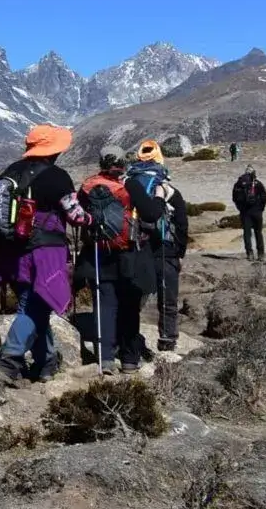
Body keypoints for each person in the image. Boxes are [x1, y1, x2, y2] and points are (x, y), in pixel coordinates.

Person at [0, 125, 92, 386]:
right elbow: (75, 215)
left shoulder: (11, 171)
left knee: (36, 305)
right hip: (45, 251)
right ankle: (9, 360)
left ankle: (46, 363)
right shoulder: (57, 177)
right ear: (54, 150)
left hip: (12, 251)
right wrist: (93, 218)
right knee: (34, 307)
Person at [76, 153, 166, 375]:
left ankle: (105, 358)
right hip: (128, 254)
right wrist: (160, 196)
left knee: (105, 306)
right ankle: (129, 360)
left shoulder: (88, 186)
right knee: (129, 308)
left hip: (98, 254)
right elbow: (152, 213)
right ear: (123, 164)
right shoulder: (130, 184)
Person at [128, 142, 189, 352]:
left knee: (135, 296)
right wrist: (180, 252)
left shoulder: (130, 184)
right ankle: (167, 339)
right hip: (166, 248)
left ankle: (129, 339)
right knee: (168, 297)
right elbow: (181, 223)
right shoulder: (168, 189)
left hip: (137, 245)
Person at [232, 166, 266, 261]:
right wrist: (261, 209)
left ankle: (249, 253)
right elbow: (264, 197)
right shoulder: (258, 183)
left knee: (247, 233)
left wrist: (240, 209)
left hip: (244, 212)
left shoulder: (238, 184)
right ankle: (260, 254)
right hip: (257, 211)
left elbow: (234, 198)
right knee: (258, 233)